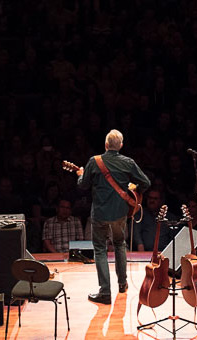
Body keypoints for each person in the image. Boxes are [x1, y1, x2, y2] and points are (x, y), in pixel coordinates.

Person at [76, 129, 151, 305]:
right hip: (119, 214)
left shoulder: (94, 162)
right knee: (119, 244)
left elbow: (83, 186)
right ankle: (122, 284)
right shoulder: (128, 162)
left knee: (100, 249)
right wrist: (133, 190)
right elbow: (146, 183)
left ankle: (105, 292)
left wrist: (80, 175)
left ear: (106, 145)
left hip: (100, 214)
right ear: (121, 146)